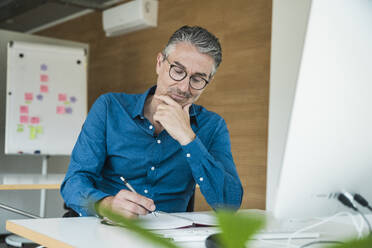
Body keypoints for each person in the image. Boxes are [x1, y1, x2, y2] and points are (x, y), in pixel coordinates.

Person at [61, 25, 243, 218]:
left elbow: (229, 205)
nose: (183, 87)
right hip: (107, 228)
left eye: (197, 79)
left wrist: (187, 137)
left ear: (208, 82)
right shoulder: (109, 107)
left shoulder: (212, 126)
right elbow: (74, 181)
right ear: (159, 63)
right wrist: (107, 205)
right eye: (178, 70)